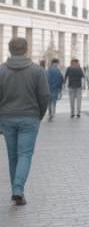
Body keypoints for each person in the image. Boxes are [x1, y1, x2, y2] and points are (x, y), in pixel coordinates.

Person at [0, 37, 50, 206]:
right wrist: (39, 115)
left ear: (9, 50)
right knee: (25, 155)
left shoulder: (1, 71)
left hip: (6, 118)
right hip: (29, 117)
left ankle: (17, 190)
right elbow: (44, 96)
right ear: (26, 49)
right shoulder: (37, 71)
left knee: (13, 156)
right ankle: (18, 190)